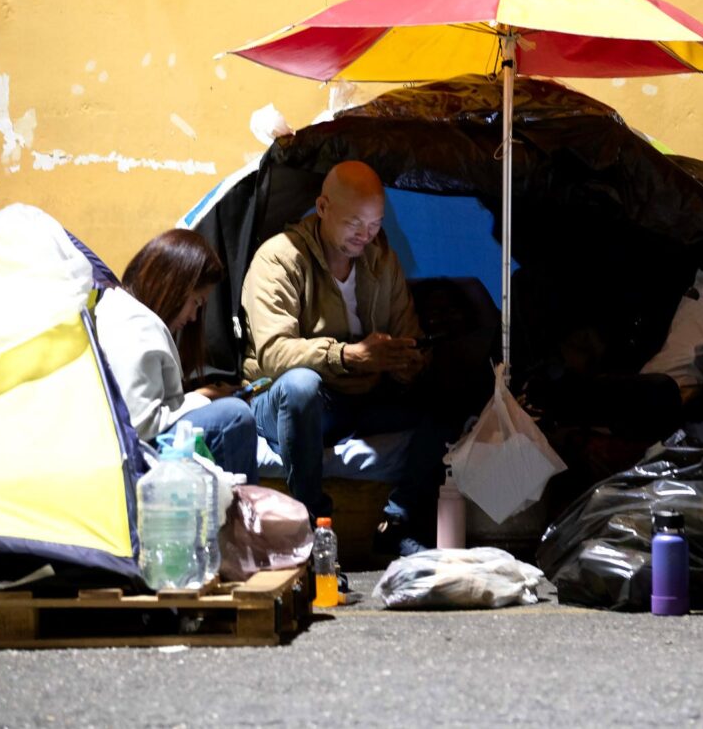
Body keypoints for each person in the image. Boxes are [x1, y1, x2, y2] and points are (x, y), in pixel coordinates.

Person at [242, 160, 447, 556]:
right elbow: (272, 354)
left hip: (360, 396)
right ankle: (310, 529)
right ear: (322, 207)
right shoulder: (280, 258)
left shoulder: (381, 259)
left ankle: (398, 520)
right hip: (292, 401)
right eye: (355, 223)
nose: (365, 235)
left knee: (449, 395)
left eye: (374, 224)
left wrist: (407, 361)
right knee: (301, 386)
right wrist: (349, 356)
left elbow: (408, 332)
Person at [94, 229, 259, 482]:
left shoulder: (126, 314)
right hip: (135, 457)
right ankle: (243, 506)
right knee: (235, 416)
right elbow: (140, 426)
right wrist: (200, 399)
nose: (193, 316)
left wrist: (202, 397)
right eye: (196, 302)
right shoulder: (136, 328)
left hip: (133, 450)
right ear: (175, 286)